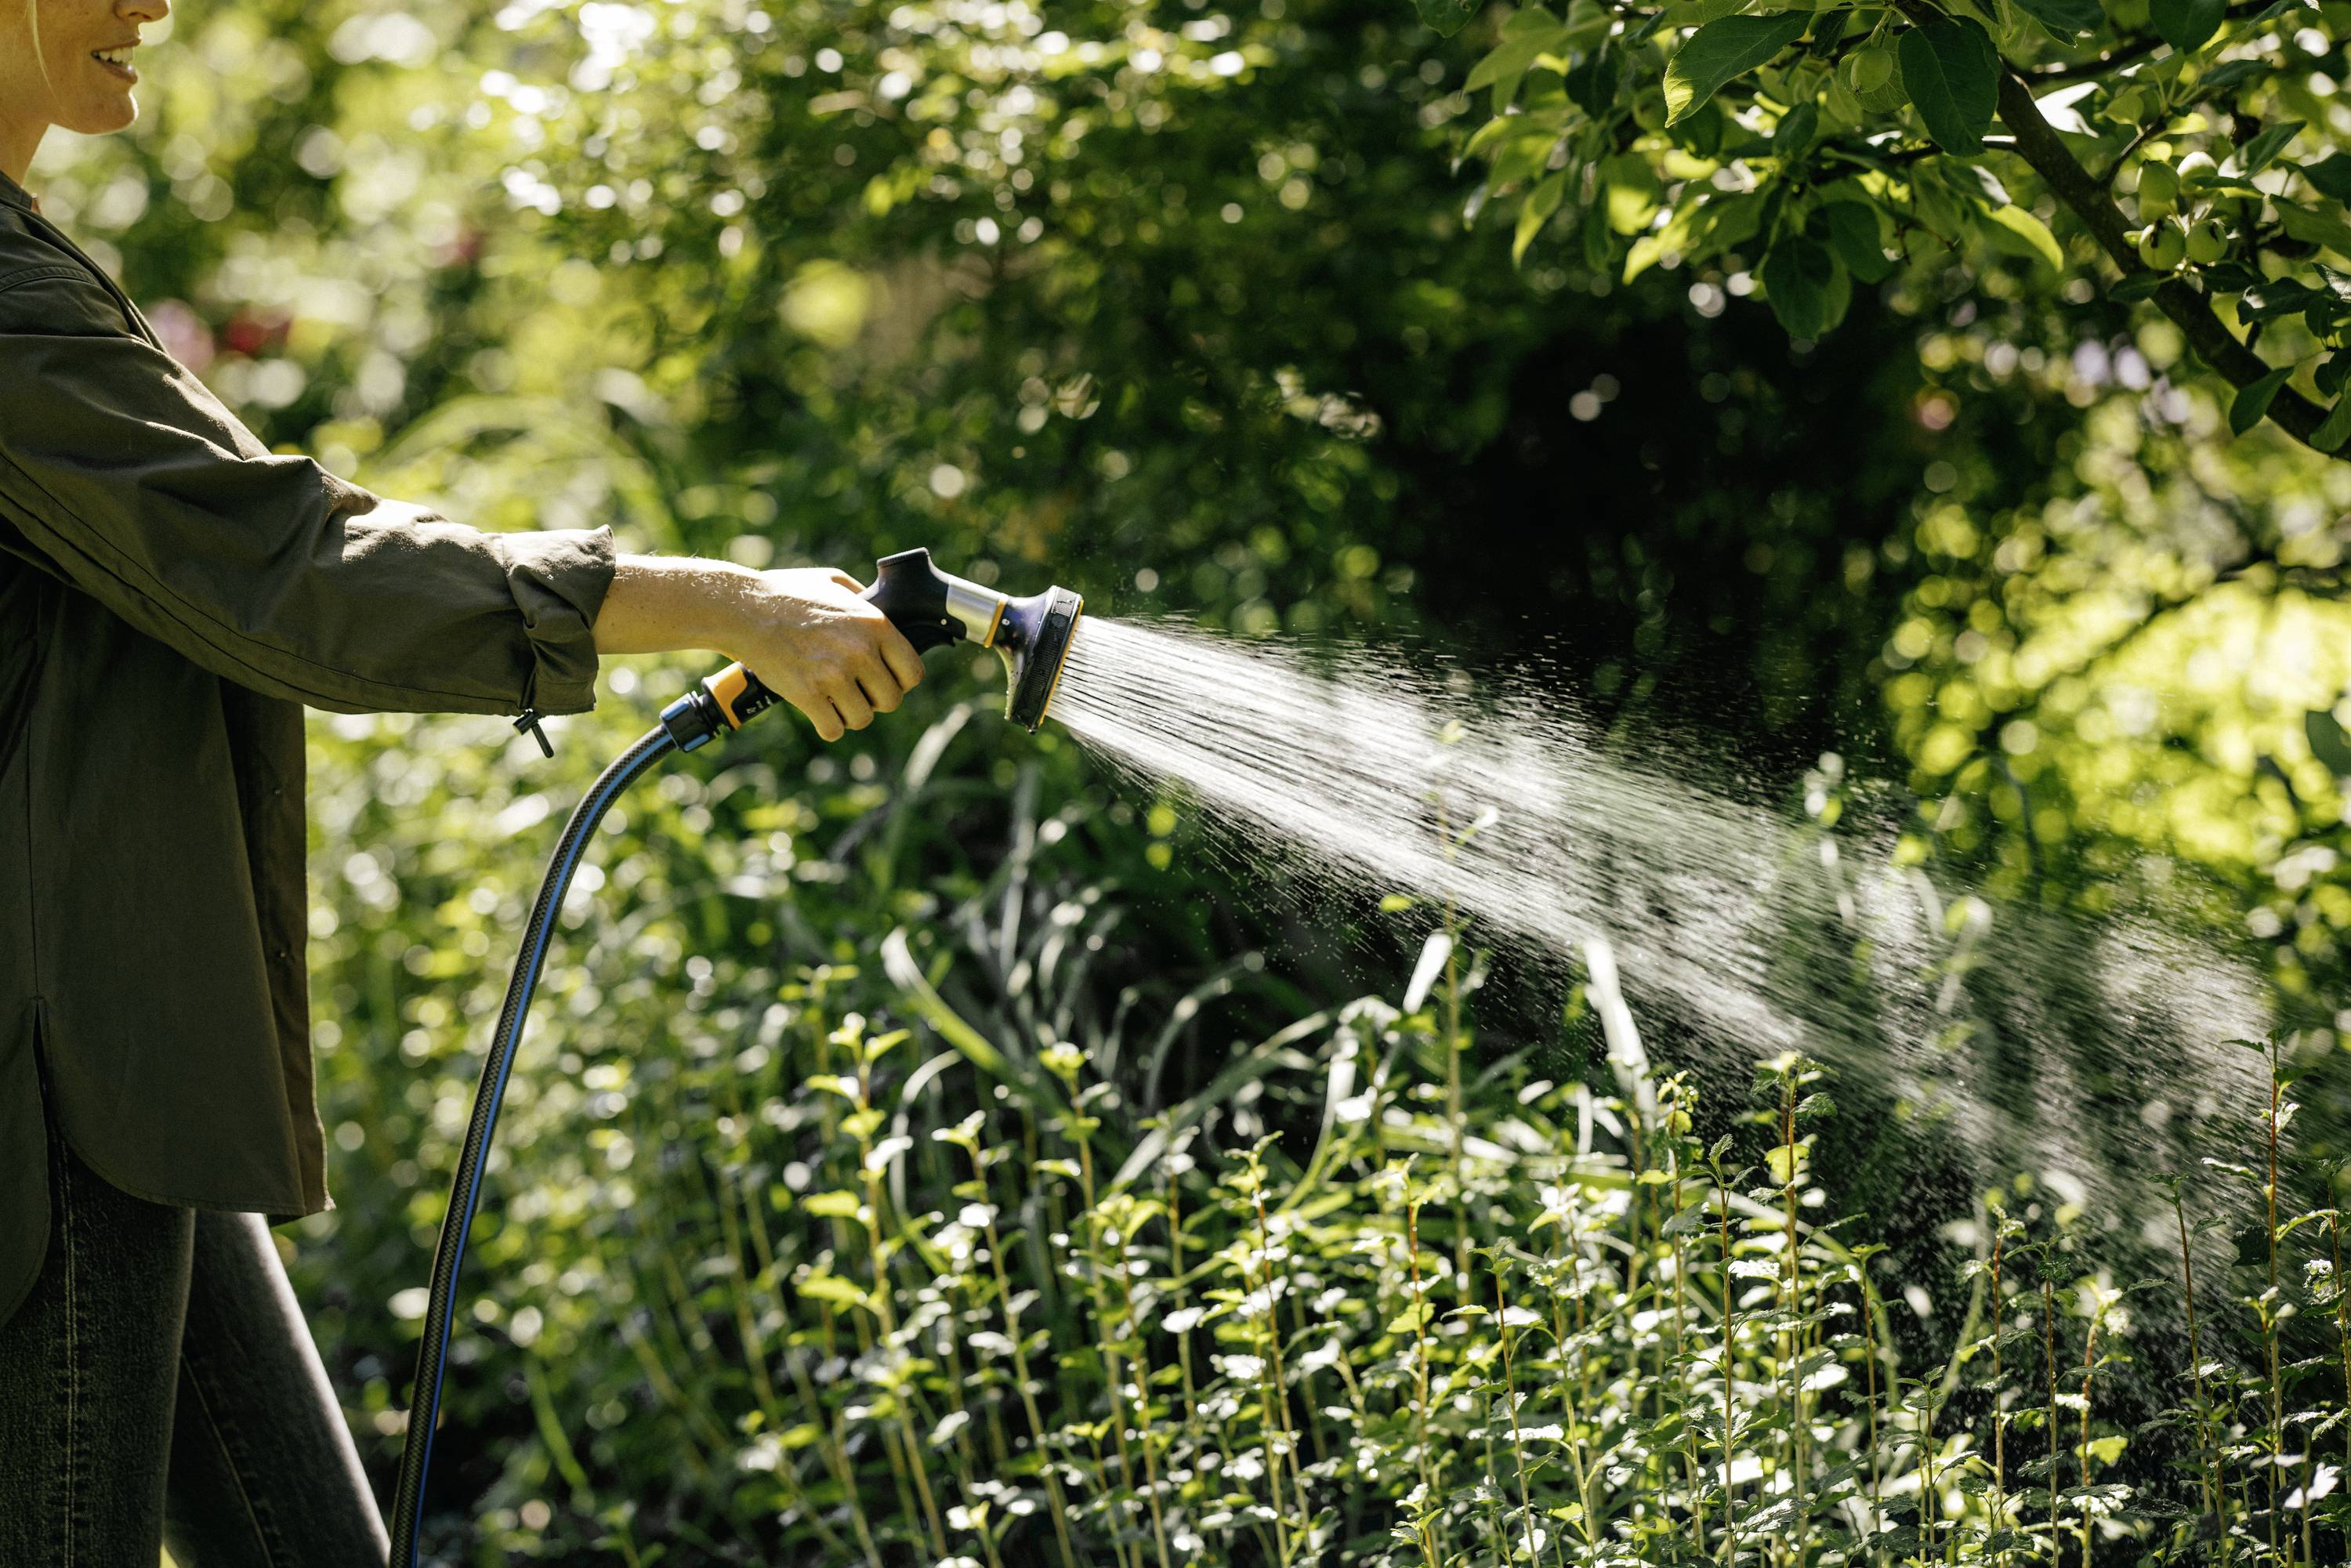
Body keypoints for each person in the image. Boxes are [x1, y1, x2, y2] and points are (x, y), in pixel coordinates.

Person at [0, 1, 926, 1560]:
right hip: (48, 1088)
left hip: (113, 1065)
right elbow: (296, 576)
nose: (151, 2)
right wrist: (729, 601)